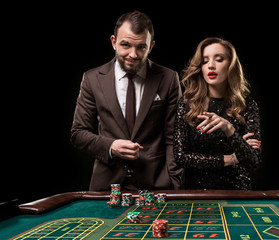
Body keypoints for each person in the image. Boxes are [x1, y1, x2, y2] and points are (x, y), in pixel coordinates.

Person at [70, 10, 183, 191]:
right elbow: (78, 133)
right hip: (107, 186)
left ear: (151, 46)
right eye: (126, 45)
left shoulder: (169, 78)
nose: (133, 54)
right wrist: (111, 146)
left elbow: (174, 137)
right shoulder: (92, 79)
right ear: (114, 42)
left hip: (156, 185)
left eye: (141, 47)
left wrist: (174, 183)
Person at [173, 37, 261, 190]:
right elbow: (181, 157)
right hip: (196, 192)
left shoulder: (247, 106)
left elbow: (253, 162)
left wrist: (230, 130)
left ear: (231, 65)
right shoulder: (188, 103)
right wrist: (232, 158)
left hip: (237, 191)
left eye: (219, 59)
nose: (211, 66)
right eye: (205, 61)